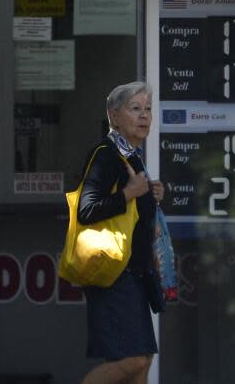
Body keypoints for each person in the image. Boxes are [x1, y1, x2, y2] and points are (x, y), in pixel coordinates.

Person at [77, 81, 165, 384]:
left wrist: (149, 196)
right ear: (114, 116)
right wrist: (130, 193)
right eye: (135, 109)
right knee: (132, 359)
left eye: (148, 109)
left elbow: (132, 210)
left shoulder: (131, 155)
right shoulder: (105, 154)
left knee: (142, 362)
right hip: (113, 272)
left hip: (135, 272)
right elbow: (86, 210)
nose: (144, 116)